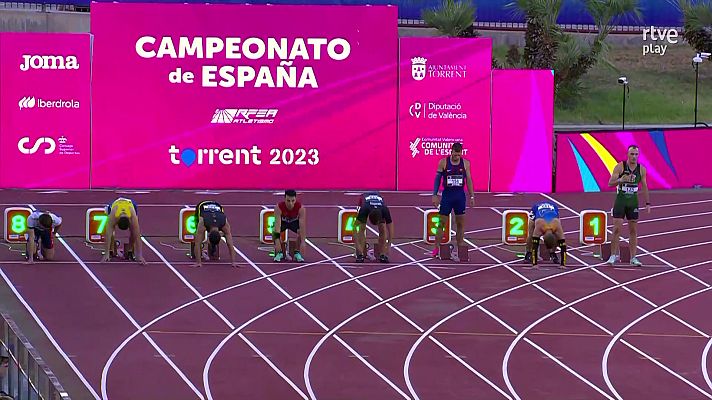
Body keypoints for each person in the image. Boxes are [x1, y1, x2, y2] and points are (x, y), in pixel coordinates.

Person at [607, 144, 650, 266]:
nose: (634, 157)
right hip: (621, 202)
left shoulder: (641, 169)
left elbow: (645, 186)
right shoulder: (620, 167)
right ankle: (613, 256)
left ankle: (633, 258)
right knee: (616, 229)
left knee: (633, 231)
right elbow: (610, 183)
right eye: (632, 154)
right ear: (628, 155)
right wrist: (621, 179)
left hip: (633, 203)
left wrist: (648, 203)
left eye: (636, 154)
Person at [431, 142, 475, 260]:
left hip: (460, 196)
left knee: (460, 224)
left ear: (461, 153)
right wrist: (434, 195)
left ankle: (460, 247)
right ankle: (436, 247)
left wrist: (472, 196)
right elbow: (437, 180)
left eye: (458, 155)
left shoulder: (466, 163)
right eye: (455, 155)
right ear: (451, 152)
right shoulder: (443, 162)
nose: (456, 157)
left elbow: (469, 180)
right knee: (441, 223)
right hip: (447, 196)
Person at [192, 200, 238, 267]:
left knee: (198, 239)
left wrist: (234, 262)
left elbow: (230, 244)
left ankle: (211, 249)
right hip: (202, 205)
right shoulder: (202, 224)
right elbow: (230, 244)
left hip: (217, 205)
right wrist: (233, 262)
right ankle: (198, 254)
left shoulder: (225, 224)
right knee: (198, 237)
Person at [101, 197, 146, 265]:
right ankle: (111, 249)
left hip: (130, 205)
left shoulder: (132, 217)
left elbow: (137, 235)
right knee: (110, 231)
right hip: (115, 204)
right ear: (117, 222)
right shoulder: (113, 216)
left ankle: (130, 250)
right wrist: (106, 253)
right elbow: (108, 234)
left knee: (134, 232)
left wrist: (140, 256)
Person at [353, 191, 394, 263]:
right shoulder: (364, 209)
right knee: (362, 228)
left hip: (378, 203)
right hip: (363, 200)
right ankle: (360, 254)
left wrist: (388, 246)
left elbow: (391, 230)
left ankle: (382, 254)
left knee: (383, 228)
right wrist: (357, 246)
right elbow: (354, 228)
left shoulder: (384, 209)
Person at [525, 201, 567, 267]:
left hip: (553, 209)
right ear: (543, 238)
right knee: (531, 235)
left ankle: (552, 253)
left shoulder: (557, 225)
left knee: (558, 238)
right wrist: (534, 264)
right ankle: (528, 252)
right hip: (536, 209)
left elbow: (563, 245)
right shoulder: (539, 226)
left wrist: (563, 264)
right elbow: (534, 246)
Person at [273, 190, 307, 262]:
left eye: (293, 201)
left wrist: (303, 242)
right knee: (274, 231)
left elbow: (302, 227)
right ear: (284, 199)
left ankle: (297, 253)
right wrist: (277, 242)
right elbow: (277, 226)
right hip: (283, 222)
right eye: (288, 201)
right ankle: (280, 252)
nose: (290, 203)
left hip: (293, 222)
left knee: (300, 231)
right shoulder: (278, 207)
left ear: (296, 199)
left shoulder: (301, 208)